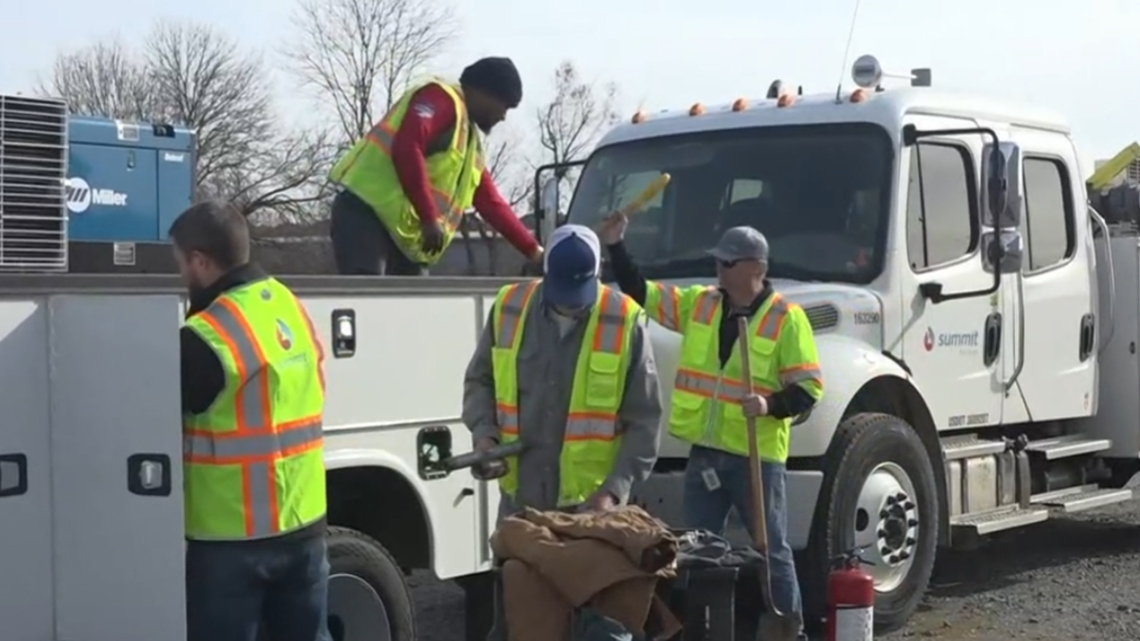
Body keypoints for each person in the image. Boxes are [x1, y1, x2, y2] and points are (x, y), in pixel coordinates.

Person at [597, 214, 824, 640]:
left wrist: (770, 403)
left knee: (771, 549)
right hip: (706, 453)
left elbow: (810, 388)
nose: (718, 270)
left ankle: (788, 627)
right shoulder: (701, 303)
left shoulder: (786, 319)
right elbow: (642, 293)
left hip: (756, 457)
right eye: (718, 262)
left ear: (755, 268)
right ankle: (699, 627)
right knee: (696, 548)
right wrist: (616, 247)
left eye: (727, 263)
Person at [172, 200, 331, 641]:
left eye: (181, 262)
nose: (181, 274)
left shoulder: (205, 335)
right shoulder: (288, 303)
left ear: (201, 261)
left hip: (230, 539)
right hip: (304, 523)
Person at [462, 224, 663, 521]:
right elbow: (480, 380)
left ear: (597, 274)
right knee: (514, 570)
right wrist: (485, 437)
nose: (569, 301)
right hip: (520, 505)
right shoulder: (509, 308)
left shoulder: (624, 321)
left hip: (591, 509)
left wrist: (613, 491)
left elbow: (644, 420)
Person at [327, 56, 543, 276]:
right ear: (483, 92)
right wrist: (429, 218)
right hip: (365, 214)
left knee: (416, 304)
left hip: (402, 235)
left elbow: (490, 202)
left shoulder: (468, 143)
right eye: (504, 105)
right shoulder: (441, 99)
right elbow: (408, 147)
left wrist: (534, 251)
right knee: (370, 297)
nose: (503, 116)